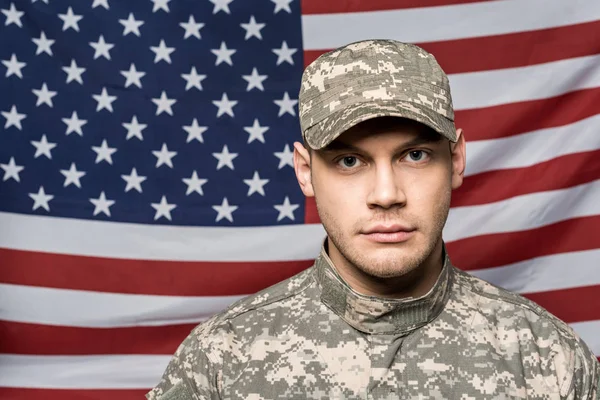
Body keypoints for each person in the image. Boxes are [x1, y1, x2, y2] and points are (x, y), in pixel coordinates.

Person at [146, 39, 599, 399]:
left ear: (457, 160)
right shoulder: (223, 360)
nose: (386, 195)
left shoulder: (548, 359)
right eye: (348, 161)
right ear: (306, 172)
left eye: (415, 155)